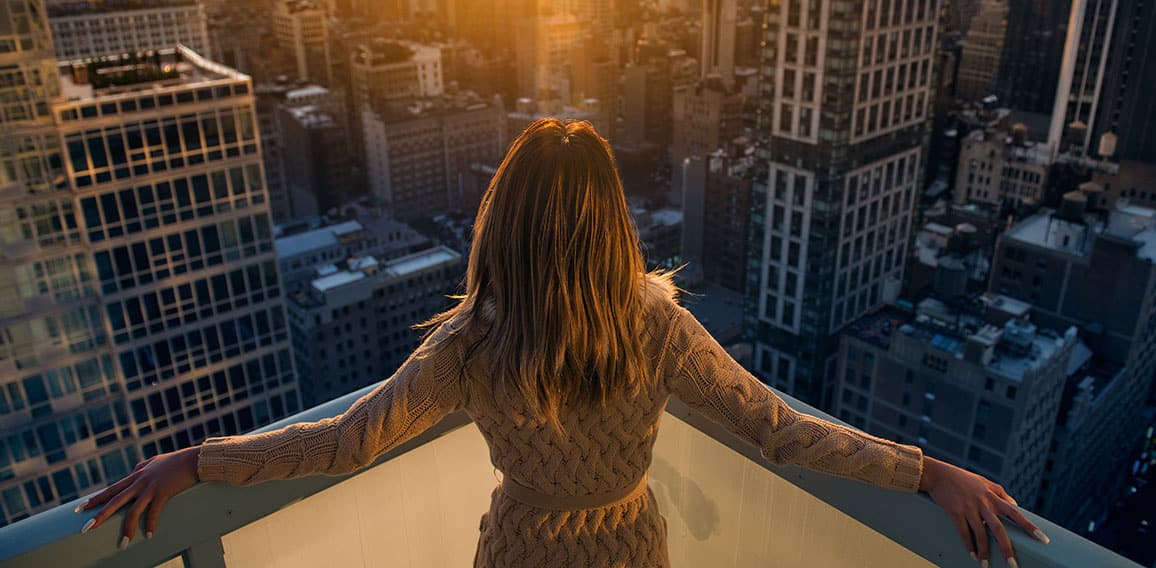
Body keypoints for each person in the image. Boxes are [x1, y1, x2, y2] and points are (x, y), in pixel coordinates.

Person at [75, 118, 1049, 567]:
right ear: (608, 222)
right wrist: (928, 474)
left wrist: (193, 460)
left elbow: (340, 441)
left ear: (506, 218)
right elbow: (781, 430)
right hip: (632, 550)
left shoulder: (473, 343)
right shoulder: (656, 324)